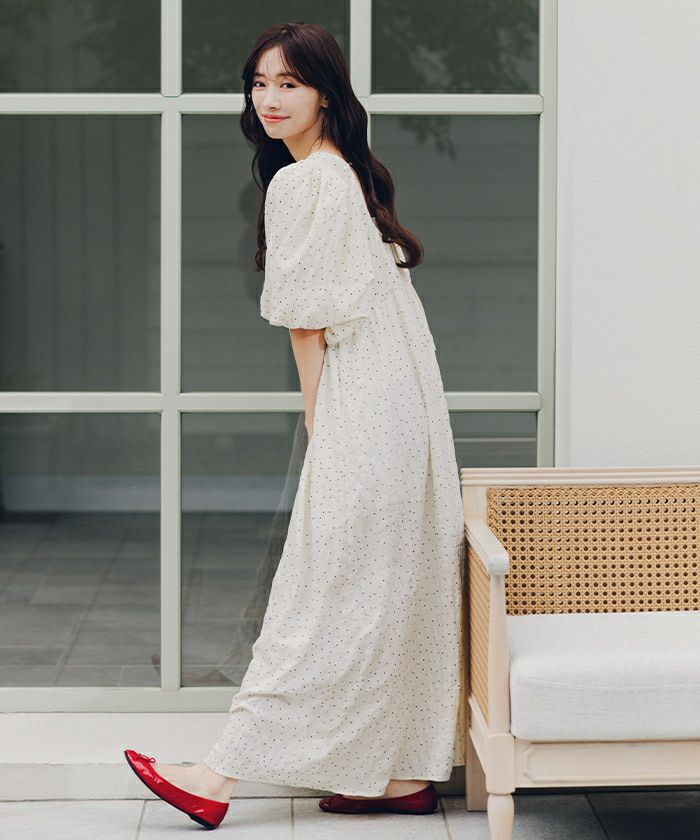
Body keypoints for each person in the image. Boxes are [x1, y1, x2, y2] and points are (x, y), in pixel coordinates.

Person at [124, 21, 466, 830]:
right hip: (405, 404)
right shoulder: (343, 176)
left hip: (365, 402)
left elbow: (306, 321)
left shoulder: (305, 182)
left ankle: (217, 777)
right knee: (378, 588)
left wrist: (320, 419)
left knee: (326, 594)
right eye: (259, 83)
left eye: (289, 83)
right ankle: (397, 775)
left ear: (325, 94)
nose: (269, 99)